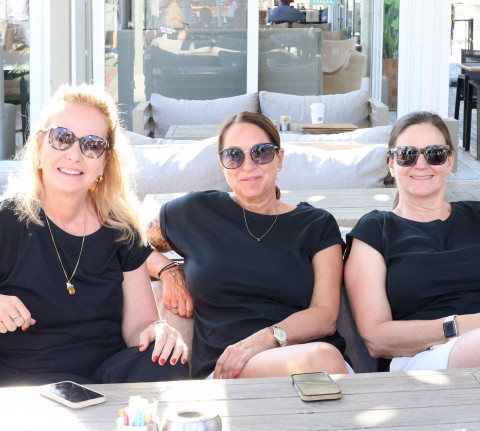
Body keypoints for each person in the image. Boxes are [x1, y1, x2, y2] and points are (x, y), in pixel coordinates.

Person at [0, 84, 189, 386]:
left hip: (106, 379)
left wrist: (156, 331)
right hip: (25, 381)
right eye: (61, 138)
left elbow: (139, 325)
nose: (75, 155)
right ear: (38, 148)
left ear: (105, 161)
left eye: (91, 144)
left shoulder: (121, 228)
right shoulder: (7, 219)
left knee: (167, 359)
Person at [146, 111, 351, 379]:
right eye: (234, 155)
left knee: (323, 358)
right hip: (230, 369)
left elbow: (325, 315)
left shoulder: (316, 224)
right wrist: (168, 271)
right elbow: (128, 240)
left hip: (314, 360)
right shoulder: (196, 212)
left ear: (279, 158)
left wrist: (267, 338)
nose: (248, 165)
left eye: (261, 152)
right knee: (322, 359)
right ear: (222, 165)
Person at [344, 111, 480, 372]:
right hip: (420, 358)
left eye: (435, 154)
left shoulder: (476, 216)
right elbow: (376, 337)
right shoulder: (375, 230)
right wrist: (463, 325)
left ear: (450, 162)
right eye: (407, 154)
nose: (421, 164)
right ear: (391, 164)